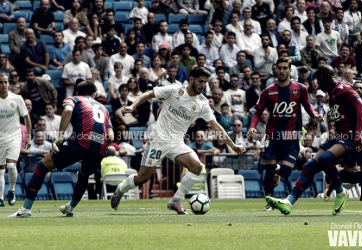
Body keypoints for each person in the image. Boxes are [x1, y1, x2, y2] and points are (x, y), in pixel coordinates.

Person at [110, 67, 245, 214]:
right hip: (158, 140)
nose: (202, 85)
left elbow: (217, 127)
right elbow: (150, 93)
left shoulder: (202, 104)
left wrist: (233, 145)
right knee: (142, 178)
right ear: (192, 79)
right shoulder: (174, 90)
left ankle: (175, 201)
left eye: (205, 82)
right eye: (200, 81)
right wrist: (132, 106)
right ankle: (121, 189)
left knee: (197, 167)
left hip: (176, 143)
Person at [266, 65, 362, 216]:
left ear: (322, 78)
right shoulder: (332, 94)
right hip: (339, 138)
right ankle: (288, 202)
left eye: (317, 81)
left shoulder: (342, 88)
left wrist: (359, 135)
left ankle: (341, 192)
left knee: (326, 159)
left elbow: (361, 108)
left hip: (350, 137)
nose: (317, 86)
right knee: (309, 167)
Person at [9, 81, 113, 218]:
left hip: (80, 141)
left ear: (77, 92)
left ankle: (25, 210)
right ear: (94, 95)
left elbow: (68, 110)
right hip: (99, 147)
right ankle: (70, 208)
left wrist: (60, 136)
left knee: (41, 166)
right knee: (83, 174)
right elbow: (110, 135)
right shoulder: (104, 108)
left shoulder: (74, 99)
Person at [247, 57, 323, 211]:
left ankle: (279, 172)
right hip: (273, 137)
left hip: (292, 137)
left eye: (284, 68)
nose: (281, 71)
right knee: (269, 170)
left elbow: (307, 105)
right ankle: (269, 202)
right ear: (275, 69)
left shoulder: (300, 88)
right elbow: (258, 112)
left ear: (290, 70)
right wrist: (252, 127)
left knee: (287, 172)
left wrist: (314, 115)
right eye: (279, 68)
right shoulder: (268, 91)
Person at [0, 73, 31, 207]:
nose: (4, 84)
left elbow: (27, 118)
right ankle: (0, 197)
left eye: (6, 82)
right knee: (1, 171)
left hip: (14, 137)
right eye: (1, 82)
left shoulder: (17, 98)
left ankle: (11, 190)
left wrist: (28, 137)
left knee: (11, 166)